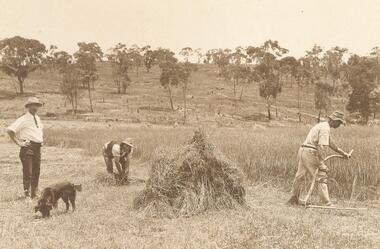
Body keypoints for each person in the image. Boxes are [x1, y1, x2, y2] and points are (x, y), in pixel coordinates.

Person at [287, 111, 351, 206]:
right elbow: (322, 147)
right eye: (339, 122)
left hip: (303, 150)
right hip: (310, 153)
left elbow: (331, 144)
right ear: (334, 120)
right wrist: (321, 163)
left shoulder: (322, 125)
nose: (339, 125)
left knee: (299, 176)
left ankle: (293, 199)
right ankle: (327, 203)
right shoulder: (325, 129)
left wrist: (344, 153)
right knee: (322, 175)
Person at [7, 97, 44, 199]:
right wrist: (19, 143)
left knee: (37, 171)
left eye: (37, 105)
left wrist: (40, 140)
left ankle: (34, 193)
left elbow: (37, 132)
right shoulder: (23, 119)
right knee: (28, 172)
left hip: (37, 148)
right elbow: (10, 130)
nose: (35, 107)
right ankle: (27, 194)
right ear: (28, 106)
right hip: (28, 148)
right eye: (33, 105)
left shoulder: (37, 118)